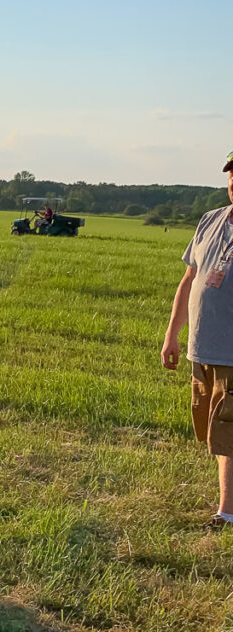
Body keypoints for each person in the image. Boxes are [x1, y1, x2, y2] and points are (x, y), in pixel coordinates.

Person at [161, 150, 233, 528]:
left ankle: (226, 512)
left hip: (232, 354)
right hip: (202, 347)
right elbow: (189, 280)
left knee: (228, 430)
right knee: (211, 429)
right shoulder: (210, 221)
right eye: (232, 174)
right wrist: (172, 335)